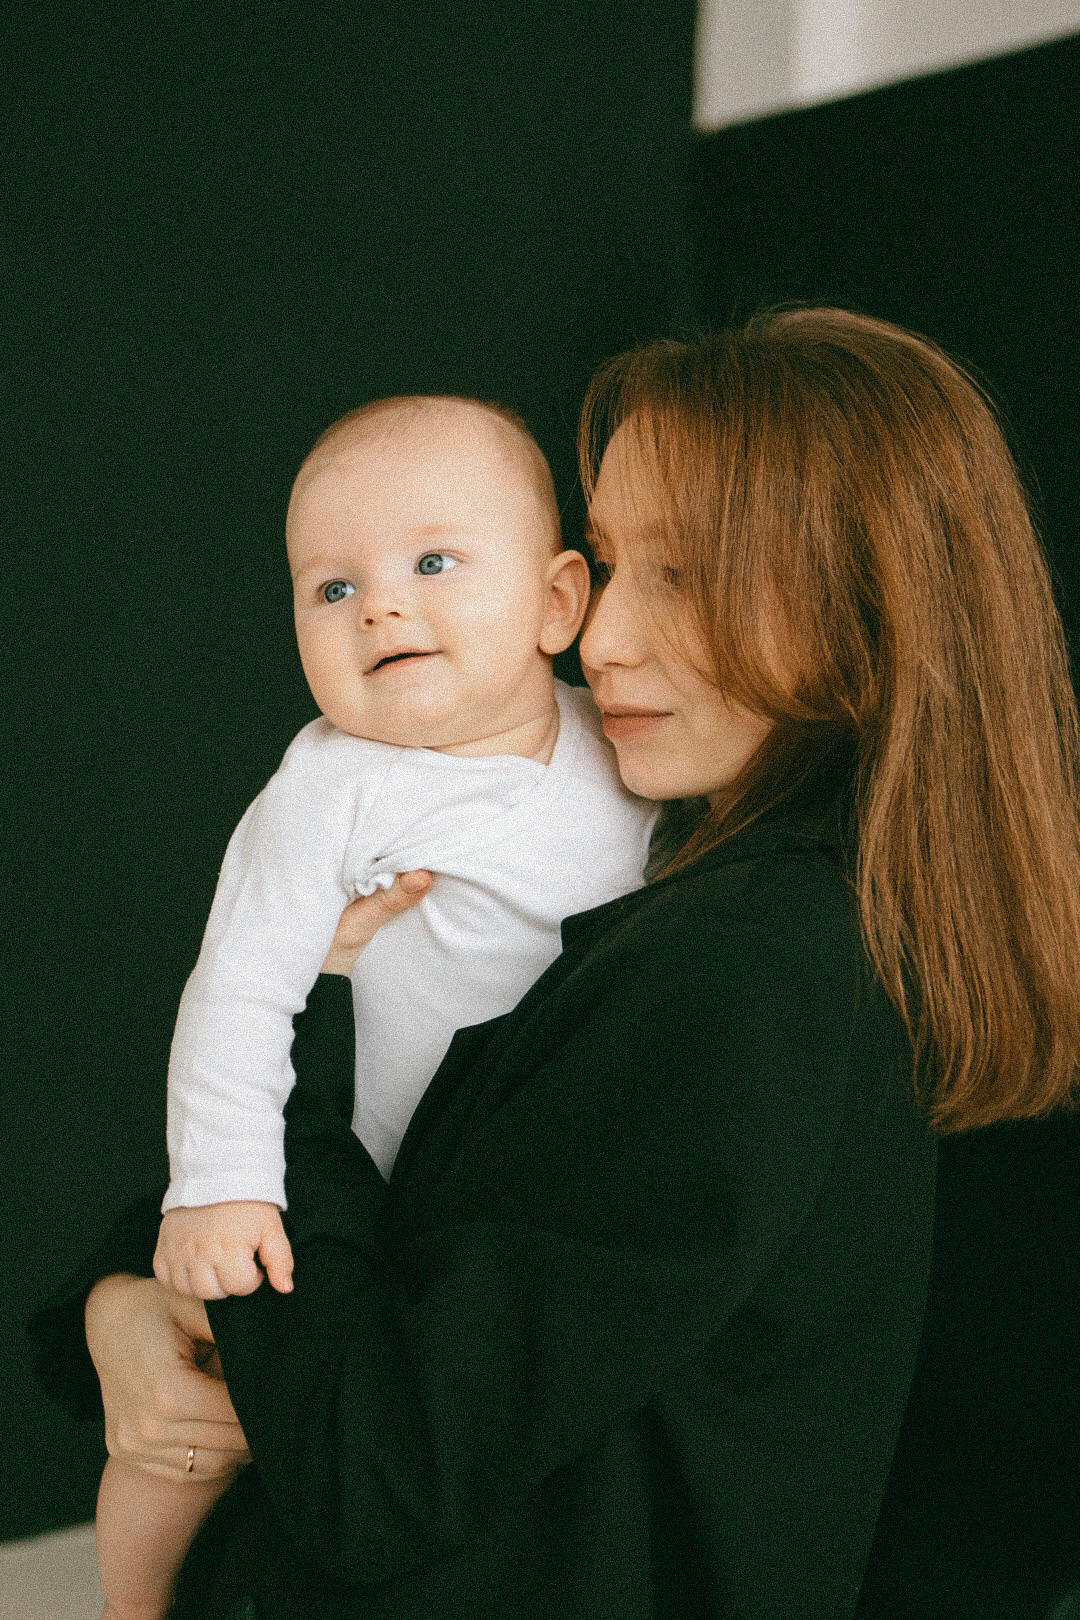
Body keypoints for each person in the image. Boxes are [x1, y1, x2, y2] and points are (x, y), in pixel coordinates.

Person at [31, 307, 1080, 1620]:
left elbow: (375, 1465)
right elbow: (430, 1195)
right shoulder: (663, 878)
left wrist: (304, 1033)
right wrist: (121, 1303)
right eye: (613, 566)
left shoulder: (750, 972)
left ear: (859, 599)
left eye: (683, 574)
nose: (601, 641)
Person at [92, 395, 658, 1620]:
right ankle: (128, 1607)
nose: (379, 607)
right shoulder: (330, 788)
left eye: (433, 563)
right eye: (331, 588)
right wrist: (221, 1184)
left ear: (558, 603)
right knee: (191, 1433)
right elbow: (240, 985)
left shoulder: (620, 752)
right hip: (334, 1191)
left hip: (496, 1203)